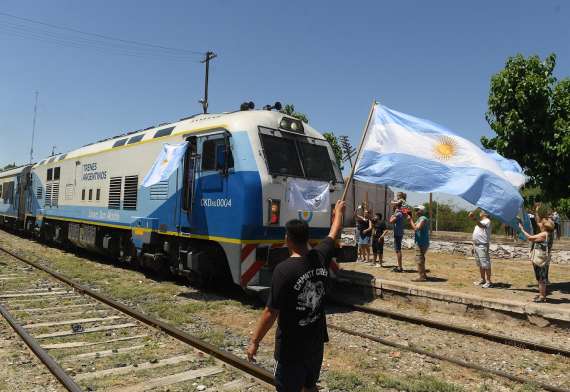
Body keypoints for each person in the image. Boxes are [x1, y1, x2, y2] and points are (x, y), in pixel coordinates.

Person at [247, 200, 346, 392]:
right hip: (315, 344)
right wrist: (338, 212)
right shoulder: (321, 255)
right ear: (307, 238)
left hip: (291, 349)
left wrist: (255, 342)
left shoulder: (283, 270)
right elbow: (334, 232)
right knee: (309, 386)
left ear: (288, 239)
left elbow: (270, 312)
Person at [518, 218, 555, 303]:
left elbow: (530, 238)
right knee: (543, 277)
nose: (539, 224)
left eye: (541, 224)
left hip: (540, 258)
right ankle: (542, 295)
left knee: (541, 278)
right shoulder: (550, 233)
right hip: (545, 258)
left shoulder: (543, 234)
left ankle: (542, 297)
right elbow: (538, 223)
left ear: (544, 227)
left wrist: (521, 229)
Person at [469, 210, 493, 288]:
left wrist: (474, 218)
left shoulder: (487, 221)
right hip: (476, 245)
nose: (480, 212)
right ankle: (482, 279)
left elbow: (481, 226)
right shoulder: (481, 221)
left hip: (482, 246)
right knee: (480, 264)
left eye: (482, 211)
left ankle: (488, 281)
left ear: (485, 213)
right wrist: (473, 245)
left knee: (485, 264)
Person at [407, 205, 429, 281]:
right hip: (421, 242)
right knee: (421, 258)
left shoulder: (423, 219)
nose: (415, 211)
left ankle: (421, 277)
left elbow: (416, 228)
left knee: (419, 259)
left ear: (421, 211)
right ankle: (423, 275)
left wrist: (410, 221)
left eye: (417, 210)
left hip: (421, 242)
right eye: (415, 210)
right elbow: (414, 227)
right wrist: (411, 220)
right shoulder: (420, 219)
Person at [389, 201, 405, 272]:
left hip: (398, 234)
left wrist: (392, 215)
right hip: (399, 233)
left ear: (396, 206)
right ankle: (399, 266)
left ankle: (400, 267)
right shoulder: (400, 213)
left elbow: (391, 221)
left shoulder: (398, 214)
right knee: (398, 249)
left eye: (393, 205)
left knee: (398, 250)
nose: (392, 207)